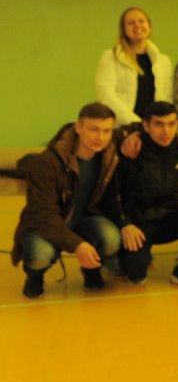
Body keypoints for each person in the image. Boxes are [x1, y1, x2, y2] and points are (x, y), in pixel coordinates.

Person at [11, 103, 123, 298]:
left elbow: (143, 127)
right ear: (78, 128)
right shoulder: (46, 163)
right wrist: (77, 245)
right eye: (94, 130)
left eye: (106, 131)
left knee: (111, 239)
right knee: (40, 255)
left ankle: (91, 270)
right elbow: (43, 215)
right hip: (47, 223)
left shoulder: (108, 150)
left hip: (85, 220)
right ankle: (34, 276)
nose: (101, 137)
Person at [115, 101, 178, 289]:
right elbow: (113, 194)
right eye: (159, 124)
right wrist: (125, 224)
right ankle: (122, 256)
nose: (166, 131)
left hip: (170, 218)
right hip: (139, 223)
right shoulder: (131, 149)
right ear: (146, 126)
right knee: (136, 275)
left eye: (171, 124)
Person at [95, 6, 174, 125]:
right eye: (131, 23)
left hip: (155, 130)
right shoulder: (111, 57)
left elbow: (168, 97)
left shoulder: (163, 61)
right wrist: (136, 123)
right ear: (123, 29)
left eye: (141, 21)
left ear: (149, 26)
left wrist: (159, 125)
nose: (137, 26)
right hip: (124, 127)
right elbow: (106, 96)